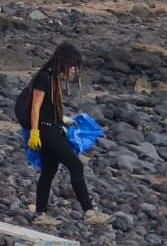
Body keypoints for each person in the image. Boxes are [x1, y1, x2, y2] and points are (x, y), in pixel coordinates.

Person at [22, 43, 112, 226]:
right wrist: (34, 132)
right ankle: (89, 212)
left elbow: (49, 108)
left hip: (52, 127)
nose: (73, 69)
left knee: (48, 171)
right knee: (76, 166)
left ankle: (40, 214)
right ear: (62, 61)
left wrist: (63, 120)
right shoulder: (44, 78)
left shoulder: (54, 78)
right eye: (71, 65)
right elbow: (35, 107)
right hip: (45, 131)